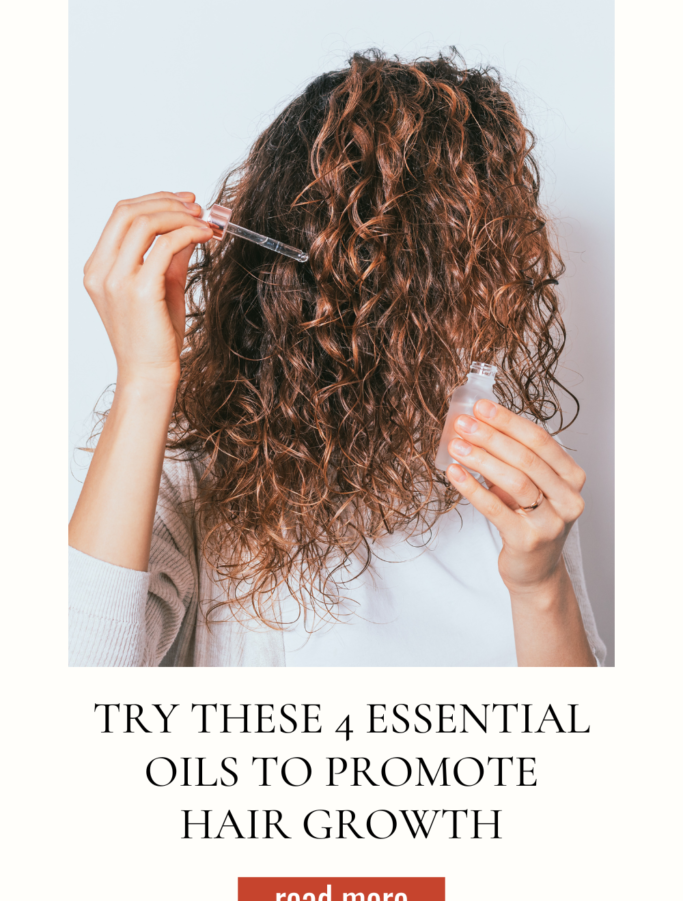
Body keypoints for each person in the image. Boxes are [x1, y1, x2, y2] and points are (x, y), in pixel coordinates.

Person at [68, 50, 606, 668]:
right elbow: (74, 700)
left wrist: (540, 587)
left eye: (475, 248)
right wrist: (144, 381)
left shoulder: (507, 466)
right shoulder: (189, 459)